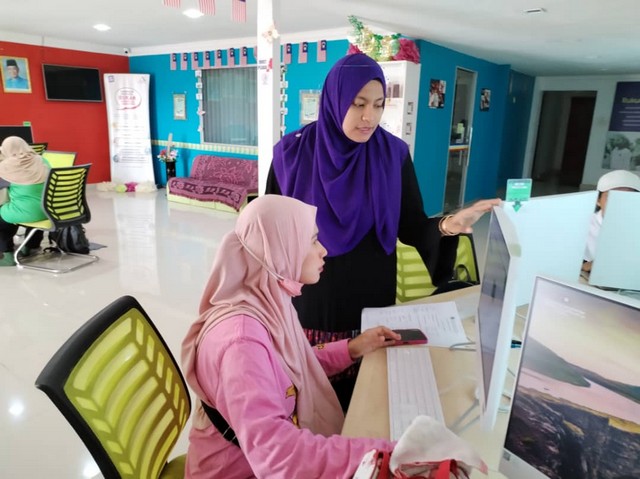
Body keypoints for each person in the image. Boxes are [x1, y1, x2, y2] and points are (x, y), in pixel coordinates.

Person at [266, 53, 499, 408]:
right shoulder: (292, 154)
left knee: (368, 400)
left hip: (372, 299)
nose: (369, 117)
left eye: (378, 105)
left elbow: (412, 226)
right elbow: (270, 234)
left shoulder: (392, 155)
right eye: (358, 104)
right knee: (314, 398)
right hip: (312, 300)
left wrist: (448, 225)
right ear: (335, 101)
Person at [181, 194, 398, 478]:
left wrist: (353, 348)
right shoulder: (241, 344)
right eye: (312, 240)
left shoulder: (267, 301)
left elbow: (286, 367)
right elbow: (279, 455)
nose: (323, 251)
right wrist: (389, 452)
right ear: (279, 250)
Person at [0, 136, 50, 266]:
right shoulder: (41, 160)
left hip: (26, 213)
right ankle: (30, 246)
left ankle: (5, 255)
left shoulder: (6, 167)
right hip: (49, 211)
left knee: (4, 213)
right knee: (24, 206)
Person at [582, 169, 640, 272]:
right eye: (612, 197)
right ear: (598, 200)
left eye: (628, 198)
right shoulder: (582, 226)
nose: (620, 204)